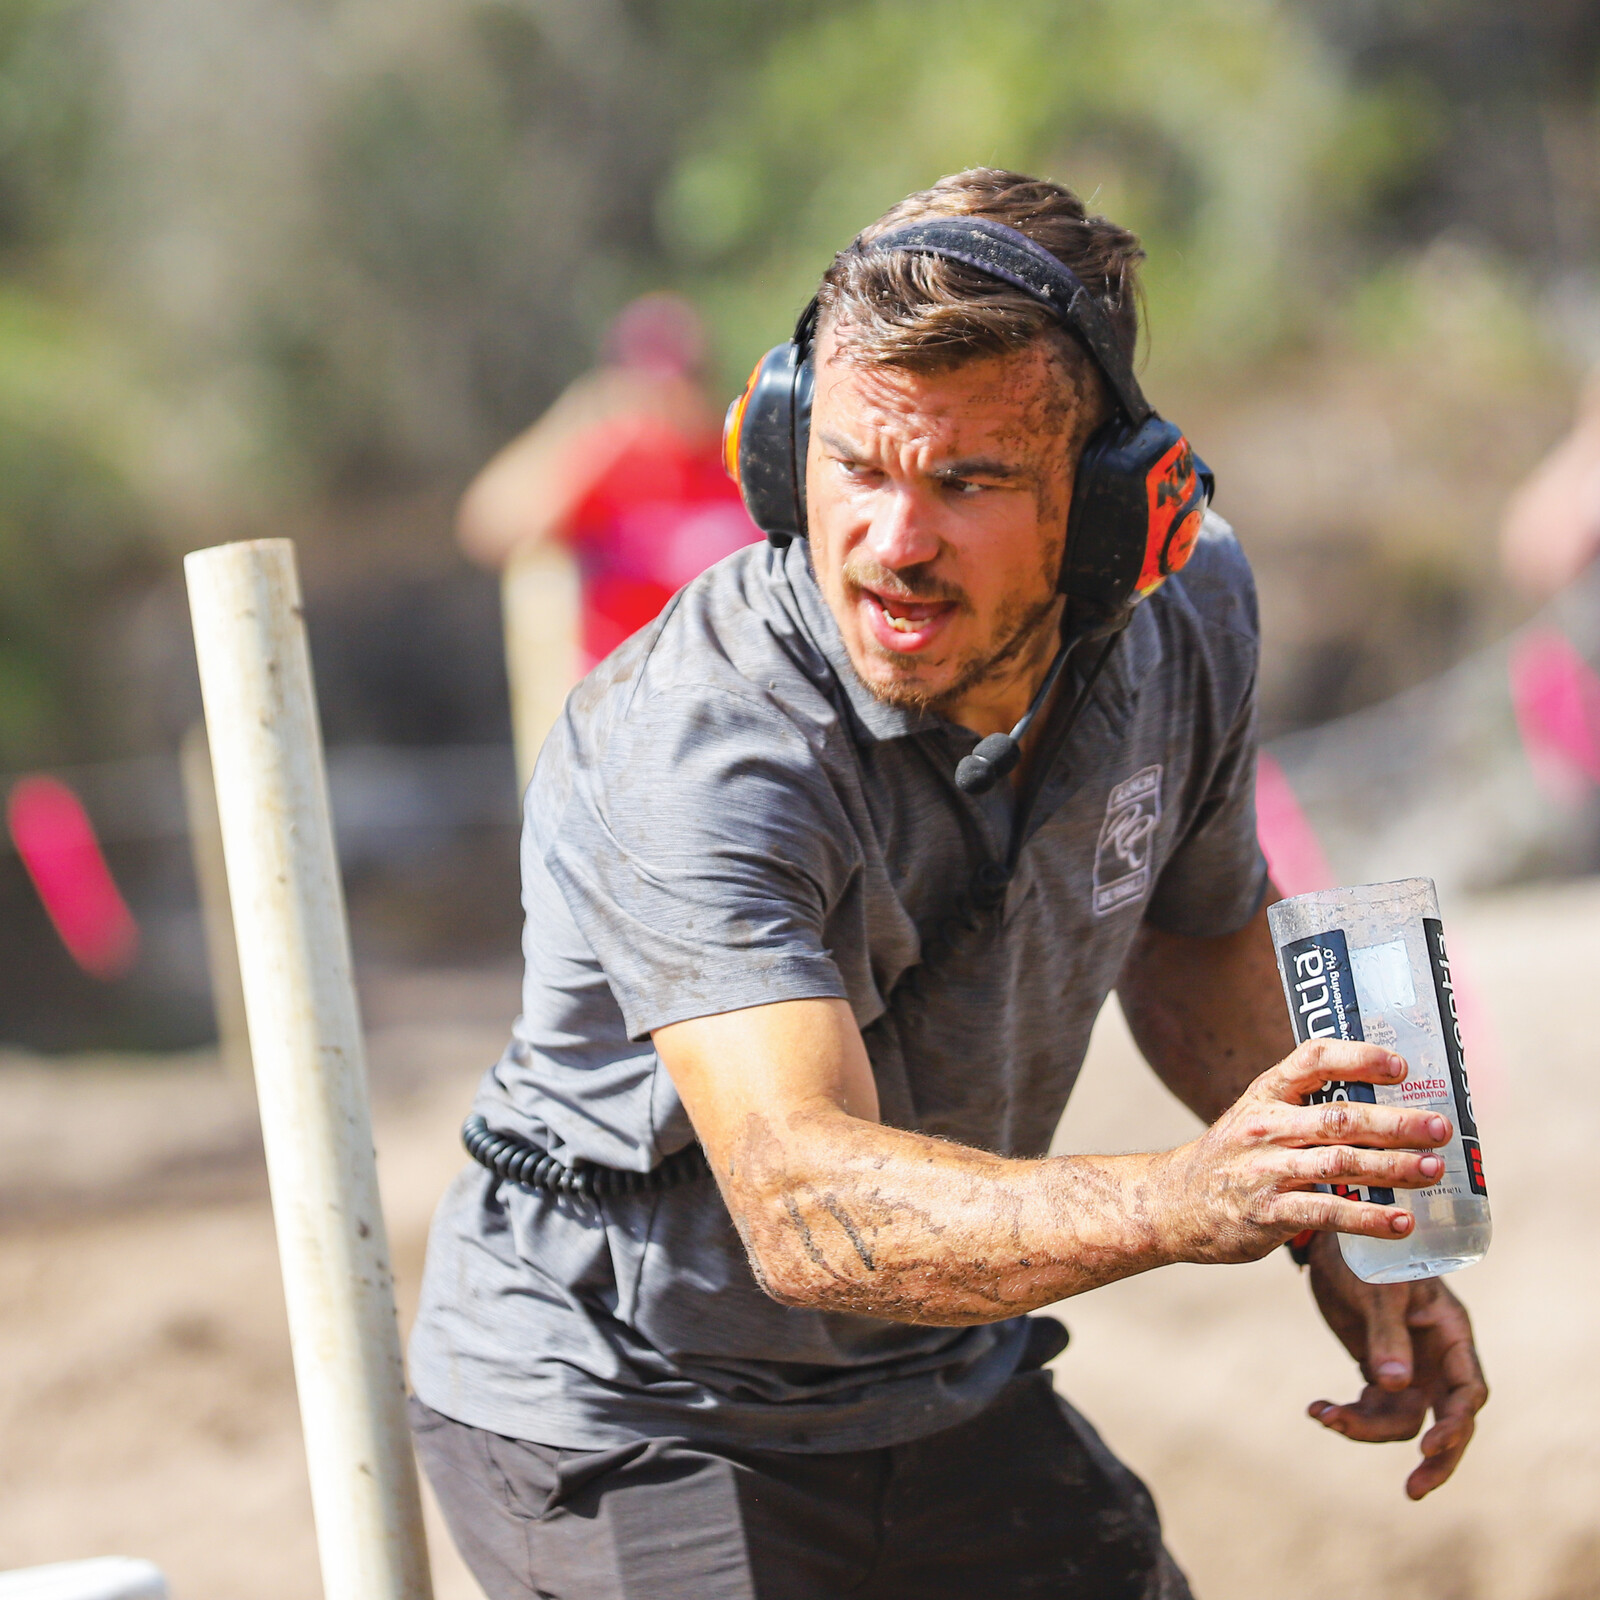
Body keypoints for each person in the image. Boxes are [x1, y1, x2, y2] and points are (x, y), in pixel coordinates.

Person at [409, 169, 1487, 1600]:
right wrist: (1186, 1198)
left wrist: (1342, 1212)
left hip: (933, 1373)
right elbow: (806, 1204)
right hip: (630, 1405)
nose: (894, 544)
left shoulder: (1189, 611)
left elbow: (1199, 929)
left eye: (968, 482)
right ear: (783, 448)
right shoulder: (700, 737)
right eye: (856, 467)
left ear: (1118, 514)